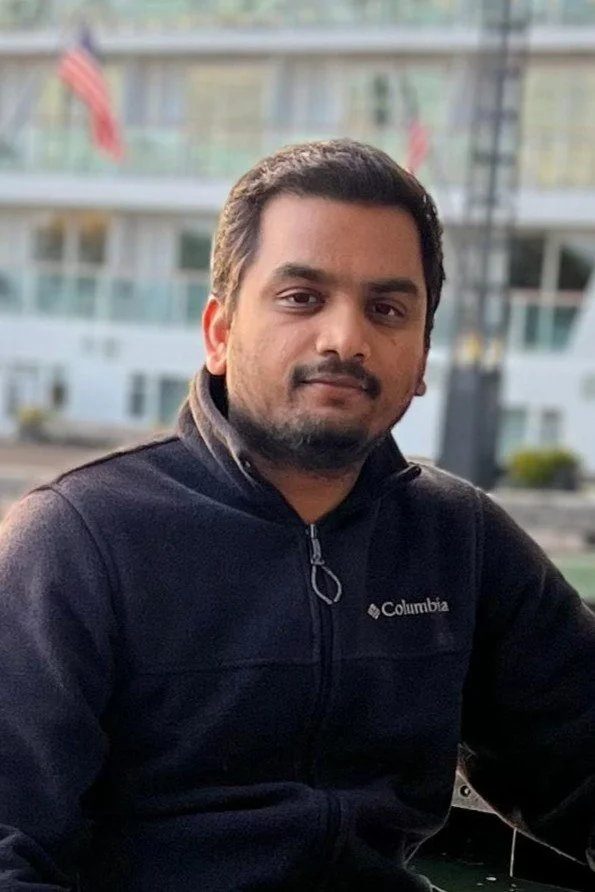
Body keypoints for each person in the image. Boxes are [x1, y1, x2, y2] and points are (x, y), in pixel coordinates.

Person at [0, 139, 594, 892]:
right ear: (219, 332)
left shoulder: (459, 539)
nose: (344, 338)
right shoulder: (77, 540)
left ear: (418, 361)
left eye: (385, 308)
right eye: (300, 298)